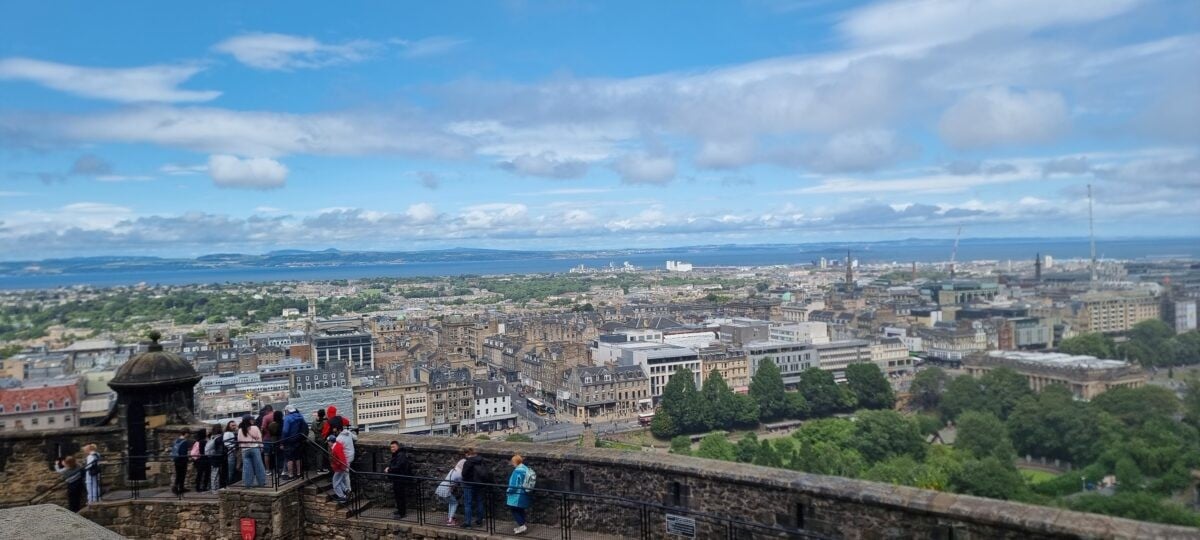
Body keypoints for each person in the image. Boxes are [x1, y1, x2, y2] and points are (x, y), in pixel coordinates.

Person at [460, 447, 488, 529]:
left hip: (469, 484)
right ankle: (479, 521)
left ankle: (468, 523)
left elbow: (464, 474)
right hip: (480, 484)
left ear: (467, 454)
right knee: (480, 502)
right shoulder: (481, 460)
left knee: (468, 503)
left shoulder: (468, 462)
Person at [328, 418, 355, 503]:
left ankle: (347, 493)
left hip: (344, 460)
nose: (333, 429)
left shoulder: (338, 439)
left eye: (333, 428)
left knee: (343, 477)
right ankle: (347, 491)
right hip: (351, 455)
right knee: (343, 476)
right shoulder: (348, 432)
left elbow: (338, 454)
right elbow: (356, 438)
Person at [384, 440, 412, 519]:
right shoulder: (397, 454)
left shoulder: (400, 455)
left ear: (398, 447)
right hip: (397, 478)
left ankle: (402, 513)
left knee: (400, 496)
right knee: (398, 495)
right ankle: (400, 510)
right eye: (391, 447)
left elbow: (398, 466)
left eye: (393, 447)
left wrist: (389, 469)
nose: (392, 448)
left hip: (400, 478)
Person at [506, 455, 533, 535]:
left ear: (515, 462)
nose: (512, 463)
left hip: (517, 495)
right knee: (520, 509)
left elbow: (514, 485)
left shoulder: (517, 471)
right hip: (524, 493)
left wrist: (508, 491)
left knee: (514, 509)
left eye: (512, 462)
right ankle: (522, 524)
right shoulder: (525, 469)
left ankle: (522, 525)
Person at [238, 415, 266, 488]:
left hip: (245, 450)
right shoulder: (255, 427)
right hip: (254, 448)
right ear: (249, 421)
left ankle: (248, 484)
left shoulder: (240, 430)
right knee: (258, 466)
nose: (253, 420)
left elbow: (239, 441)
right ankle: (261, 482)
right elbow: (259, 438)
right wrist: (261, 447)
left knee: (247, 468)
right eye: (251, 419)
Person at [435, 458, 465, 526]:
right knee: (455, 503)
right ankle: (450, 520)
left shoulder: (452, 470)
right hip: (446, 489)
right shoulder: (460, 474)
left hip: (442, 487)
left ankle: (450, 517)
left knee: (451, 502)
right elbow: (462, 484)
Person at [281, 405, 307, 481]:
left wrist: (282, 442)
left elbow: (285, 431)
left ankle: (290, 475)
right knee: (298, 457)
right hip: (298, 439)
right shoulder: (300, 416)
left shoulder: (287, 418)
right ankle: (299, 473)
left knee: (289, 458)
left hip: (289, 440)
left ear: (287, 411)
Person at [169, 429, 191, 494]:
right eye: (188, 433)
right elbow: (183, 453)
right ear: (186, 433)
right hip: (182, 460)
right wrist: (187, 459)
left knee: (178, 474)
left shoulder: (176, 441)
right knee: (182, 475)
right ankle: (176, 488)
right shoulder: (184, 442)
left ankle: (180, 487)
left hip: (176, 459)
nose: (189, 435)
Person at [205, 426, 225, 491]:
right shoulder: (219, 438)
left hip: (212, 457)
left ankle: (215, 488)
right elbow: (220, 449)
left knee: (214, 474)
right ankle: (214, 489)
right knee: (215, 474)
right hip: (217, 457)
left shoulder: (212, 437)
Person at [190, 428, 210, 492]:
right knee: (206, 474)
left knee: (199, 474)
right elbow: (205, 451)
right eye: (206, 431)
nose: (208, 432)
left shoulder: (197, 441)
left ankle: (197, 487)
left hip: (198, 459)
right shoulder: (204, 442)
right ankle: (204, 487)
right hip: (204, 459)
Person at [311, 408, 329, 473]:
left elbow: (312, 428)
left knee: (318, 453)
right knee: (321, 453)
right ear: (324, 415)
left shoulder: (314, 422)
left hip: (316, 438)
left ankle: (319, 467)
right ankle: (320, 468)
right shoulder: (325, 422)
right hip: (322, 439)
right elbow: (326, 430)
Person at [222, 420, 239, 486]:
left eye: (235, 425)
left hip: (234, 452)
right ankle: (229, 483)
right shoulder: (227, 433)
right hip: (231, 453)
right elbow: (226, 443)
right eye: (232, 425)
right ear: (228, 426)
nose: (234, 427)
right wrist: (234, 447)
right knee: (231, 469)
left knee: (234, 468)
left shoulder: (233, 433)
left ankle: (232, 482)